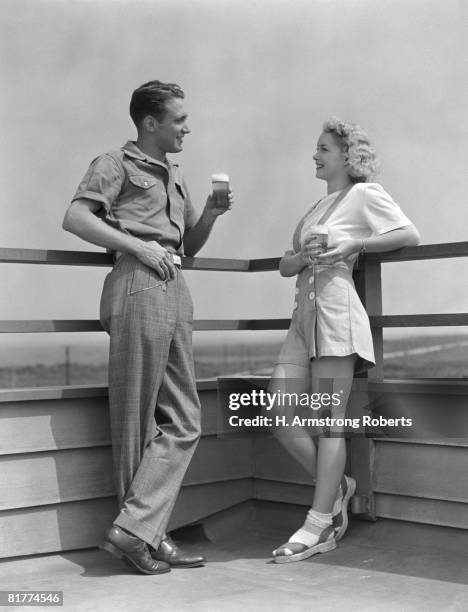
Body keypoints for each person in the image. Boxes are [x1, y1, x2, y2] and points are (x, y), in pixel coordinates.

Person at [63, 80, 233, 575]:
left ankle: (137, 529)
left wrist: (213, 216)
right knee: (138, 417)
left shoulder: (174, 176)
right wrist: (137, 247)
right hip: (138, 281)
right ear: (150, 122)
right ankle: (145, 537)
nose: (187, 127)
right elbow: (76, 217)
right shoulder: (115, 163)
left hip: (173, 284)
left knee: (184, 419)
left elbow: (191, 246)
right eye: (179, 119)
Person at [270, 118, 420, 563]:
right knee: (278, 412)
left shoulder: (363, 196)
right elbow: (283, 265)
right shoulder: (316, 208)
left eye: (323, 149)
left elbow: (408, 233)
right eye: (316, 148)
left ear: (347, 156)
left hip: (336, 319)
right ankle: (337, 486)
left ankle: (319, 524)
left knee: (328, 422)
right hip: (303, 320)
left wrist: (355, 246)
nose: (315, 155)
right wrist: (299, 257)